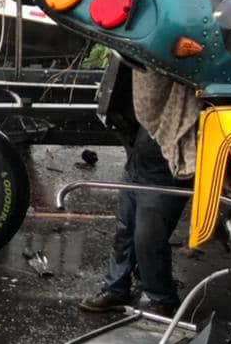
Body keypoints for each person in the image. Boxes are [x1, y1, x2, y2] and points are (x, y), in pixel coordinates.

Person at [80, 126, 188, 317]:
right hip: (137, 166)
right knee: (124, 233)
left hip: (164, 175)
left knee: (148, 240)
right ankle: (116, 289)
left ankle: (162, 300)